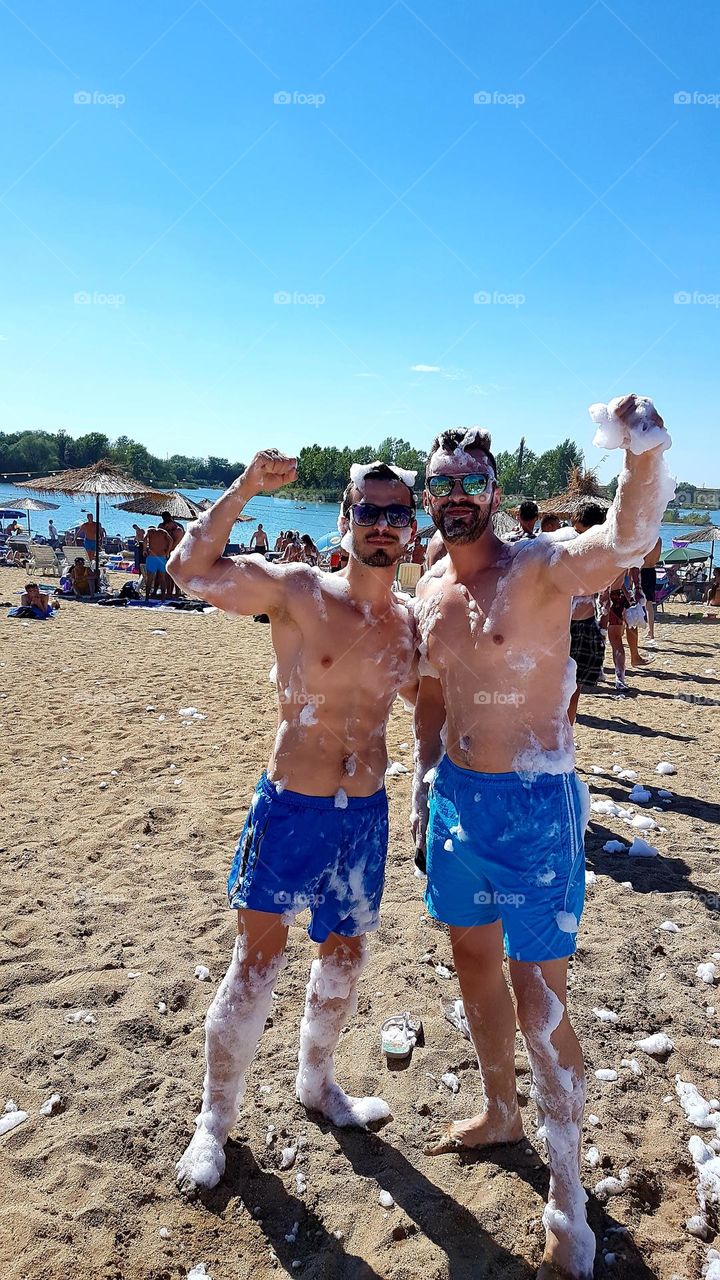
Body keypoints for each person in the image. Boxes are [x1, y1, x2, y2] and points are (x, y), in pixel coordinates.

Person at [412, 397, 672, 1280]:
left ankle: (570, 1204)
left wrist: (642, 452)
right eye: (441, 484)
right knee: (473, 968)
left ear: (494, 491)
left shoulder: (542, 568)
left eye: (471, 483)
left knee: (540, 996)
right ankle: (499, 1110)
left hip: (535, 806)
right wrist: (420, 787)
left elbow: (627, 541)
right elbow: (434, 698)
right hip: (458, 805)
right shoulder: (429, 586)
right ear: (427, 496)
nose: (456, 496)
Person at [168, 450, 418, 1194]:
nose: (380, 524)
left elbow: (439, 705)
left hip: (364, 816)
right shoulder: (300, 590)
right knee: (255, 964)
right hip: (292, 807)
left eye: (395, 513)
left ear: (411, 528)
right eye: (367, 511)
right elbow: (189, 568)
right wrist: (245, 487)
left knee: (344, 957)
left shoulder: (409, 621)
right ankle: (213, 1123)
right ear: (345, 521)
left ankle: (318, 1084)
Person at [567, 503, 607, 723]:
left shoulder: (601, 553)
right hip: (560, 626)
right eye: (576, 531)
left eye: (582, 532)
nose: (578, 537)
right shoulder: (566, 546)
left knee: (574, 689)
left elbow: (606, 592)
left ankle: (566, 736)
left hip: (583, 623)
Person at [598, 567, 649, 692]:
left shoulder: (604, 551)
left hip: (602, 595)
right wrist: (635, 589)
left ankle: (599, 670)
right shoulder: (626, 551)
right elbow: (633, 568)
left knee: (602, 635)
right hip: (615, 595)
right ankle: (619, 679)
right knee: (615, 640)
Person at [640, 536, 662, 642]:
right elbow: (657, 558)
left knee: (636, 601)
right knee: (649, 604)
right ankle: (651, 632)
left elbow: (641, 557)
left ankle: (628, 629)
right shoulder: (659, 539)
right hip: (652, 570)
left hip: (643, 570)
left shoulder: (646, 538)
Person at [144, 525, 173, 601]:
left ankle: (147, 598)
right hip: (162, 557)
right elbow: (171, 541)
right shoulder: (163, 532)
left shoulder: (150, 531)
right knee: (162, 578)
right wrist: (167, 552)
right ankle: (163, 598)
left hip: (152, 557)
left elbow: (144, 538)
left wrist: (144, 549)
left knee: (149, 578)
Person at [160, 512, 185, 598]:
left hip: (176, 553)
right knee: (168, 573)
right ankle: (169, 592)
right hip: (168, 553)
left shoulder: (178, 530)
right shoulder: (163, 526)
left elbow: (175, 544)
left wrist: (167, 552)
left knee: (175, 574)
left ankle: (177, 592)